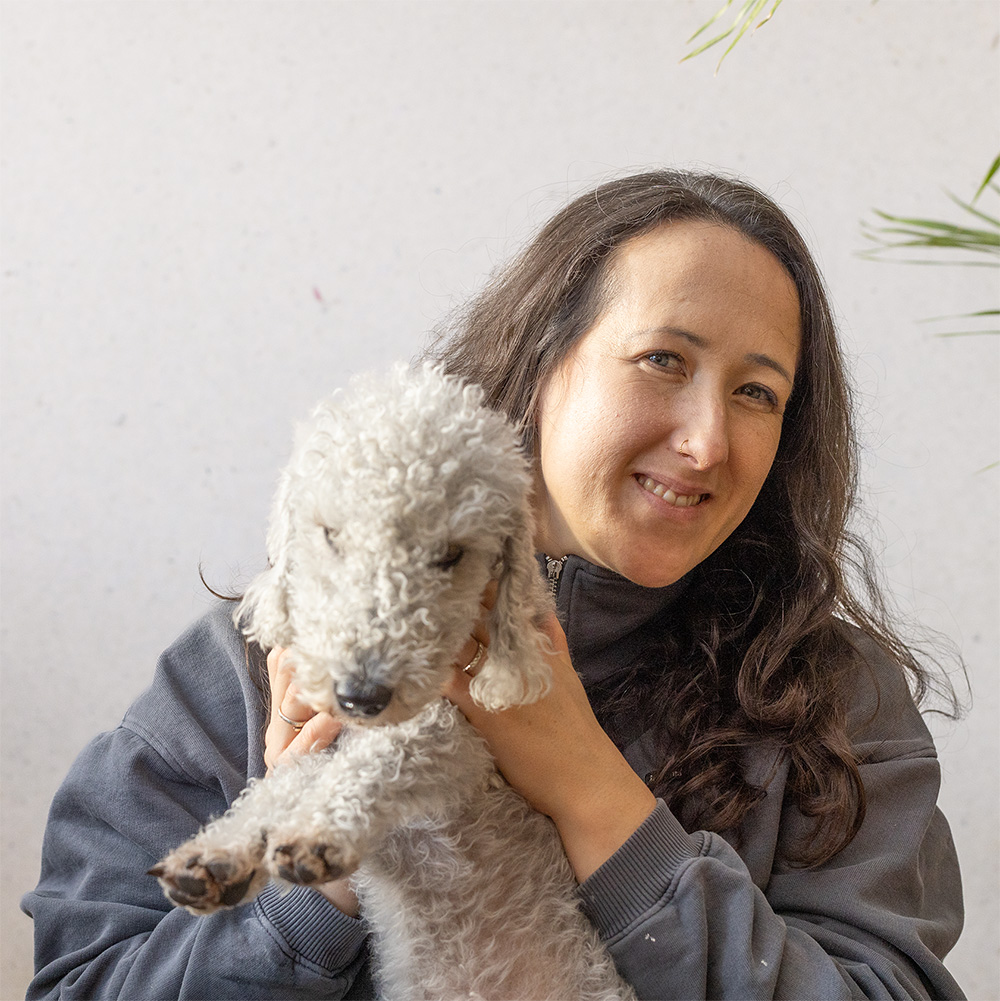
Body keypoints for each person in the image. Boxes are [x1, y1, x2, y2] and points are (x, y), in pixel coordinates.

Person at [22, 170, 966, 1000]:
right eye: (663, 360)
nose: (708, 439)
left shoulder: (830, 693)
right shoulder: (258, 662)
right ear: (538, 360)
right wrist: (330, 854)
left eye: (757, 391)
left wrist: (593, 792)